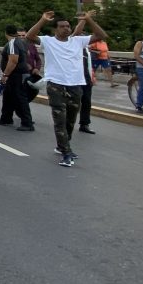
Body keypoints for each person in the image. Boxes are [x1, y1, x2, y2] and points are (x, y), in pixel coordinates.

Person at [26, 10, 108, 168]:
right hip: (56, 84)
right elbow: (30, 36)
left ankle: (63, 145)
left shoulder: (78, 41)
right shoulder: (48, 41)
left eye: (68, 26)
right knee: (60, 120)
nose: (66, 28)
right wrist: (42, 20)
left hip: (76, 85)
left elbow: (101, 35)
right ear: (55, 29)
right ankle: (66, 152)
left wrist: (89, 20)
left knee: (71, 120)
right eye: (62, 26)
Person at [0, 25, 35, 131]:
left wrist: (5, 75)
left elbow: (13, 60)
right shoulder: (21, 42)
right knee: (8, 96)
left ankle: (27, 123)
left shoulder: (12, 43)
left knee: (20, 98)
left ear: (5, 33)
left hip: (16, 74)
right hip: (17, 74)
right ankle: (6, 118)